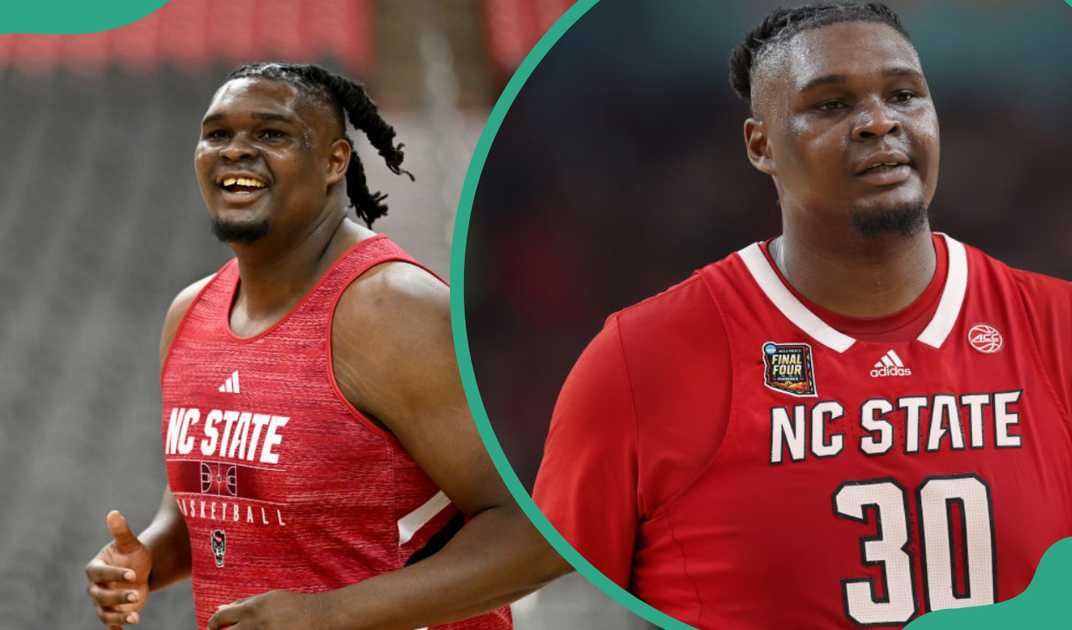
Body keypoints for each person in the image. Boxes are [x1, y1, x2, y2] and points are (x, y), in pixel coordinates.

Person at [533, 3, 1072, 628]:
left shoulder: (1055, 327)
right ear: (761, 145)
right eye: (831, 105)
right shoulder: (639, 358)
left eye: (904, 95)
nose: (878, 122)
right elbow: (563, 603)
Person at [83, 62, 559, 630]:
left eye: (271, 134)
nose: (235, 150)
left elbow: (542, 533)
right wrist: (150, 557)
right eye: (217, 134)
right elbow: (217, 504)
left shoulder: (392, 310)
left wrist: (326, 615)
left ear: (335, 161)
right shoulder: (192, 313)